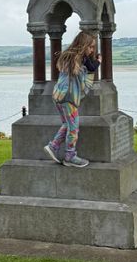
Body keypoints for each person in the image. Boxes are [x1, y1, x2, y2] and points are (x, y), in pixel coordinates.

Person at [43, 32, 101, 168]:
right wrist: (98, 60)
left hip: (58, 95)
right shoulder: (79, 58)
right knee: (74, 128)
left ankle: (53, 146)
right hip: (69, 98)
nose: (92, 50)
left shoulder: (67, 56)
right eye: (90, 47)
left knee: (67, 124)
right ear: (84, 45)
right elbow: (91, 68)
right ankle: (70, 156)